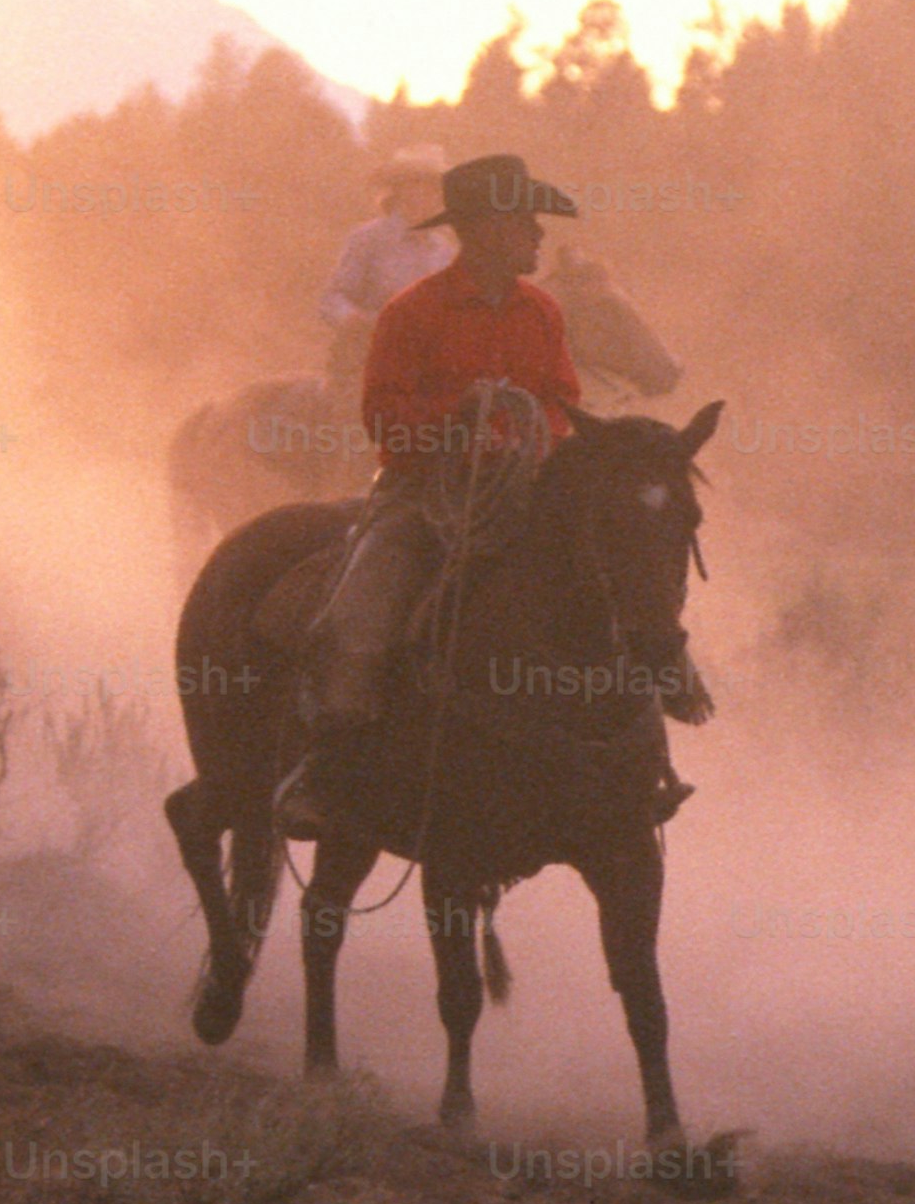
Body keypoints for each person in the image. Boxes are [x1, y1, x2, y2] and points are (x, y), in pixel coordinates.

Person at [281, 155, 691, 831]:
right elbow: (382, 416)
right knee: (361, 615)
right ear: (486, 232)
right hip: (423, 496)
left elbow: (560, 402)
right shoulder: (411, 314)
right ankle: (327, 769)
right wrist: (460, 428)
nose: (537, 235)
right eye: (524, 222)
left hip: (527, 491)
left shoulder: (543, 313)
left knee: (633, 573)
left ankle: (642, 753)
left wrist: (560, 451)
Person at [313, 151, 445, 403]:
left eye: (435, 187)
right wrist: (354, 320)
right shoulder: (369, 239)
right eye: (420, 184)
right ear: (400, 190)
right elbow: (332, 298)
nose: (431, 194)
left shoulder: (443, 251)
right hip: (366, 356)